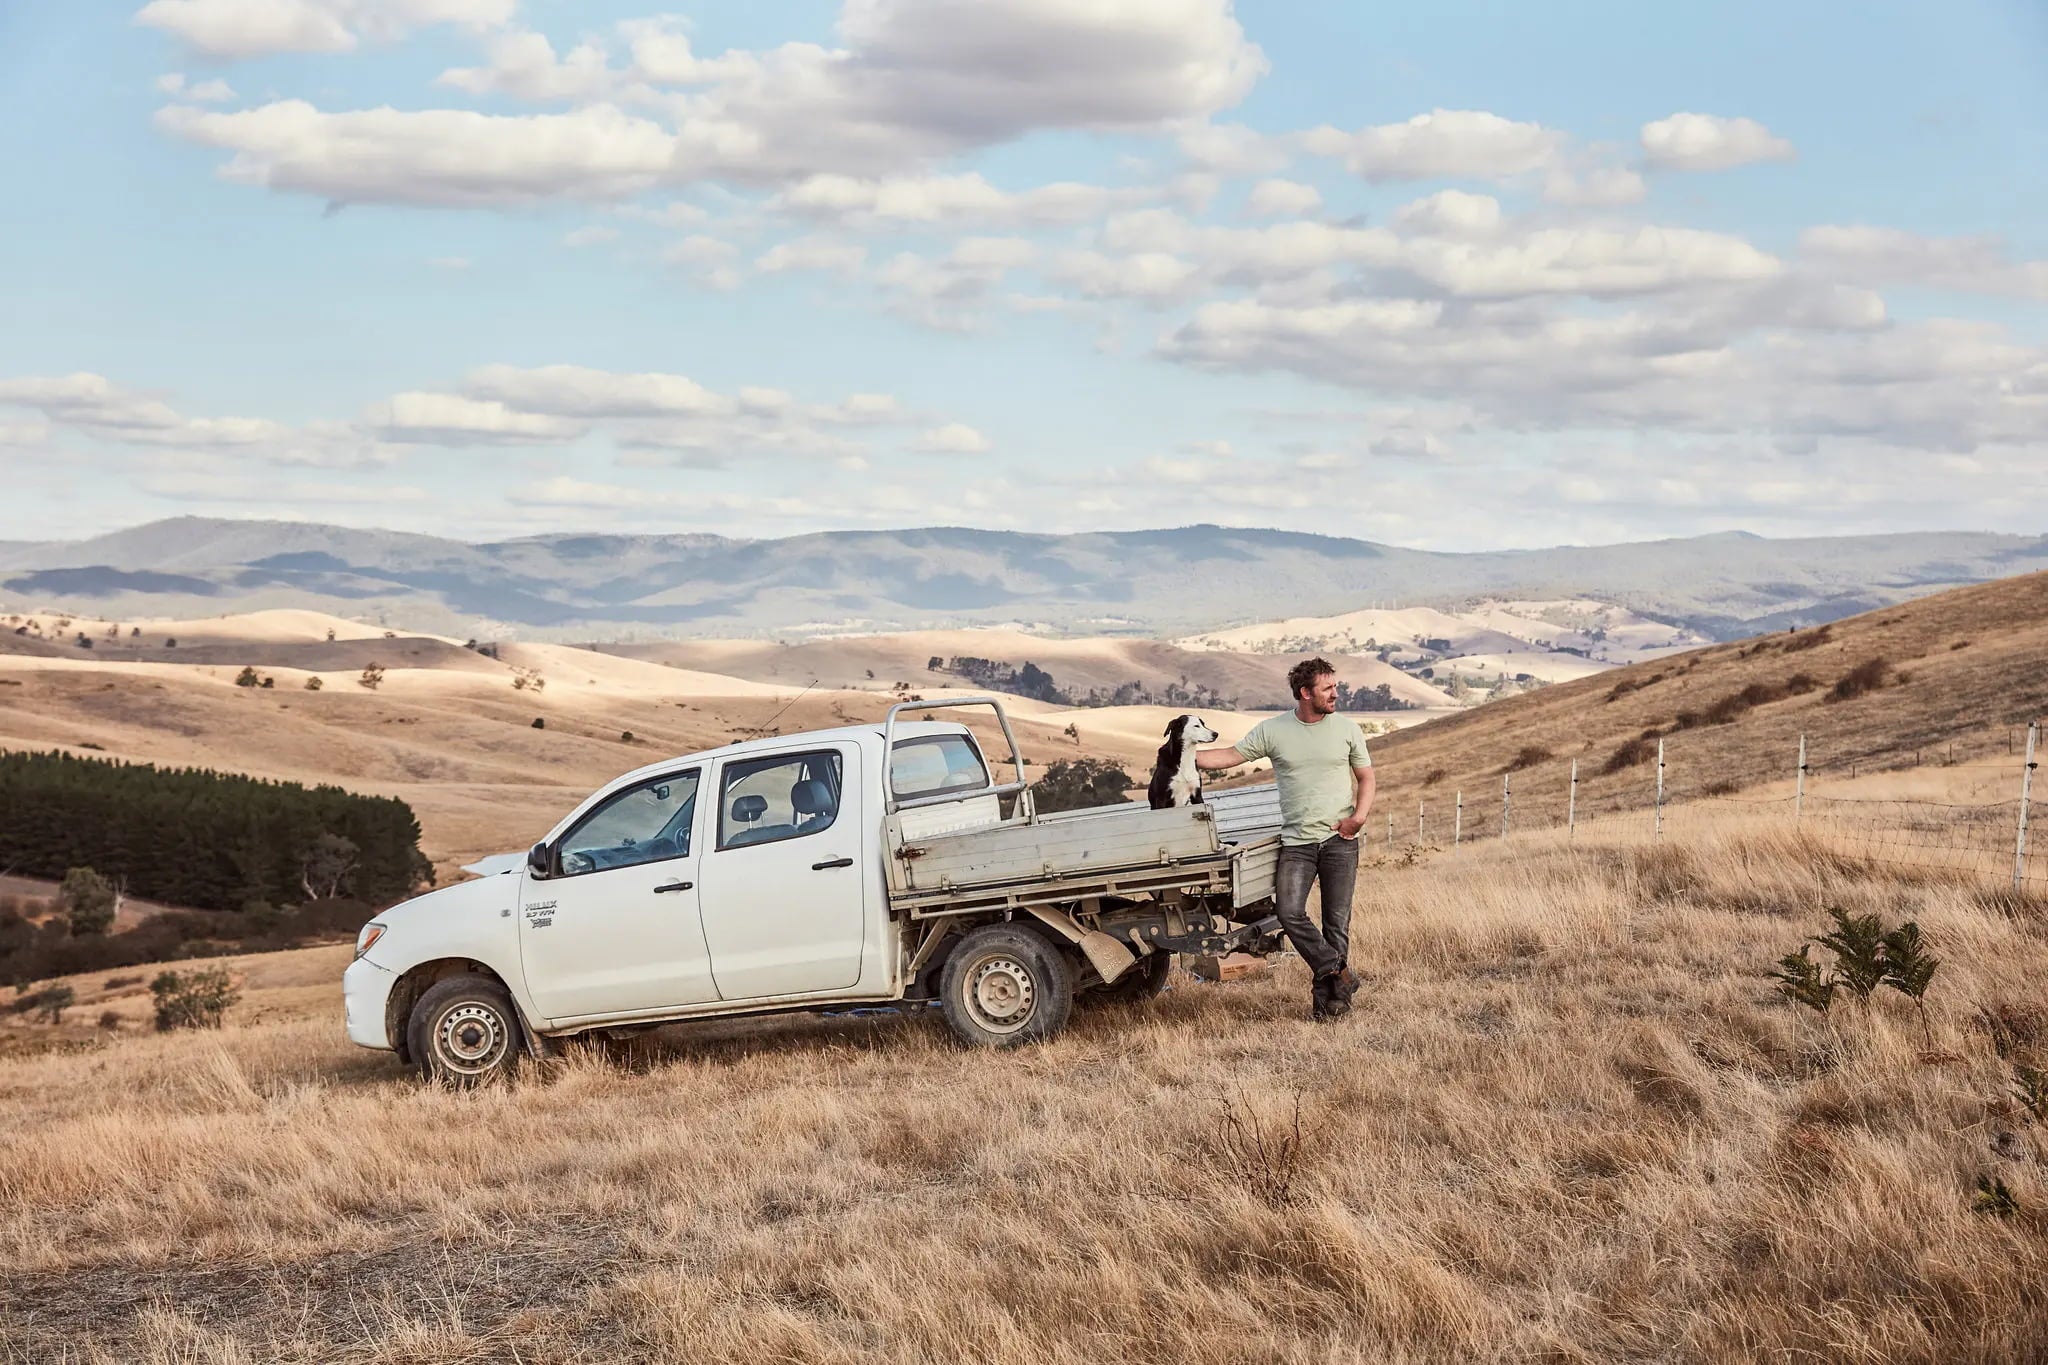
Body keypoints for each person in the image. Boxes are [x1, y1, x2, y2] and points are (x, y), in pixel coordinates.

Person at [1196, 657, 1376, 1020]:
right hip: (1297, 844)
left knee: (1335, 922)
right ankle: (1340, 972)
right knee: (1289, 912)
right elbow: (1231, 755)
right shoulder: (1273, 731)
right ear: (1305, 693)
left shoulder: (1347, 729)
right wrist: (1183, 755)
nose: (1336, 694)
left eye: (1334, 687)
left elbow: (1366, 778)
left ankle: (1331, 1004)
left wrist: (1358, 819)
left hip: (1340, 841)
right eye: (1328, 689)